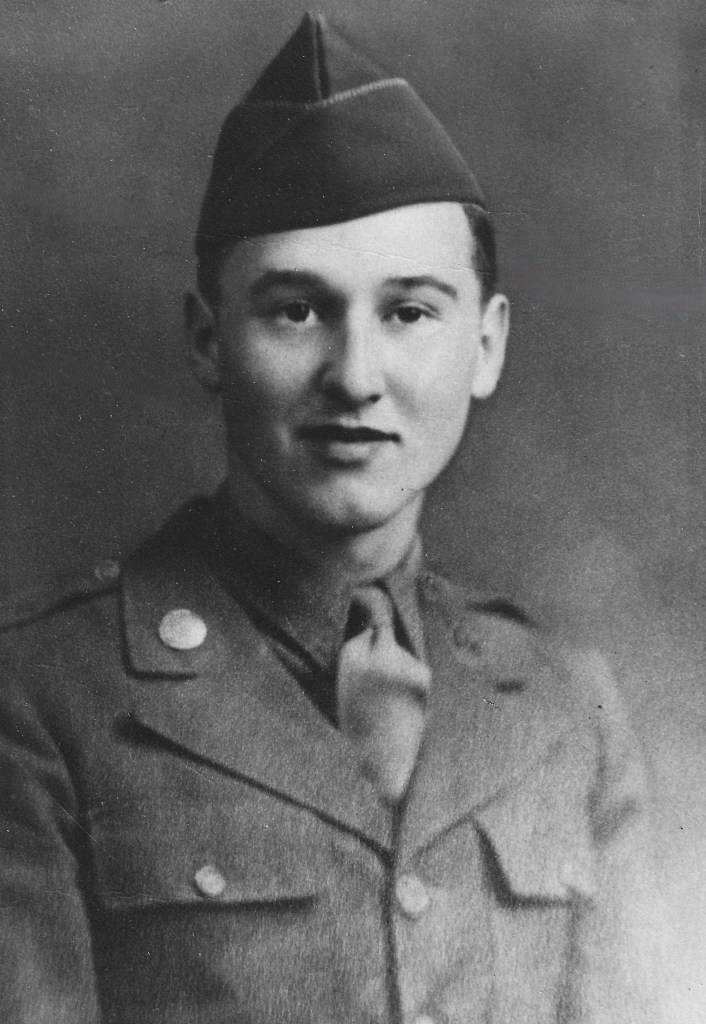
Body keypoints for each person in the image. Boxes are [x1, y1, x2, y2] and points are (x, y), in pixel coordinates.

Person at [0, 13, 665, 1024]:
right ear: (208, 341)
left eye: (409, 312)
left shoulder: (566, 706)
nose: (355, 376)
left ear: (486, 347)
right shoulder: (42, 699)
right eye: (297, 310)